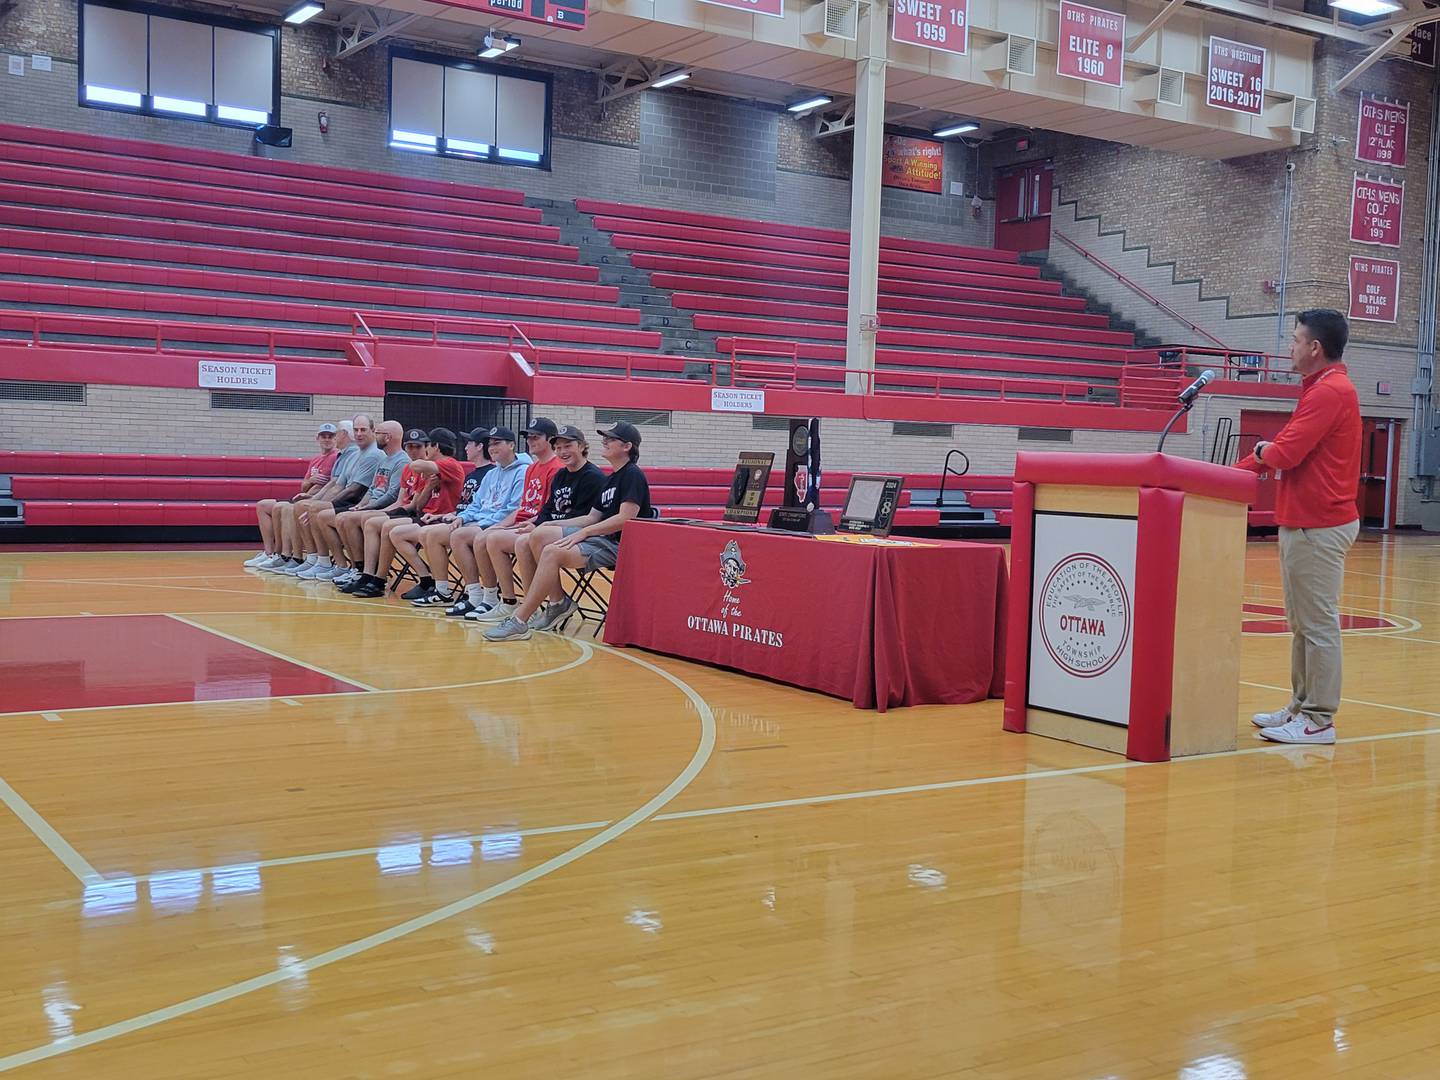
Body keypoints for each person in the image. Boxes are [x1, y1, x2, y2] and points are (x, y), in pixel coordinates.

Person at [1237, 309, 1362, 745]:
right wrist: (1241, 468)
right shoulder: (1319, 390)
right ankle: (1300, 706)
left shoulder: (1330, 392)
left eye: (1294, 340)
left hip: (1319, 525)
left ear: (1315, 348)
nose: (1288, 348)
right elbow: (1282, 450)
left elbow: (1284, 452)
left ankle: (1319, 720)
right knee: (1303, 623)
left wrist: (1261, 450)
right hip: (1304, 523)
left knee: (1318, 623)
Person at [485, 421, 651, 642]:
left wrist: (584, 533)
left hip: (619, 546)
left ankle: (519, 619)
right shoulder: (612, 478)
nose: (605, 441)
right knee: (546, 546)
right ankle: (547, 606)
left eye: (610, 439)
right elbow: (592, 517)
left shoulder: (632, 475)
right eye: (605, 438)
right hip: (601, 540)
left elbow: (626, 518)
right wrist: (547, 524)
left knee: (543, 541)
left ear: (627, 446)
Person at [500, 425, 607, 631]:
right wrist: (534, 523)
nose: (562, 452)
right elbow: (548, 509)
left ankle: (554, 604)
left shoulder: (593, 477)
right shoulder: (560, 475)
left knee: (539, 535)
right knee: (523, 542)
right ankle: (539, 606)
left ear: (583, 446)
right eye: (558, 448)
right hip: (556, 529)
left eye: (568, 446)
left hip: (581, 533)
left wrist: (547, 525)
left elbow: (589, 519)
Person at [418, 427, 530, 614]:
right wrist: (462, 517)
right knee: (435, 534)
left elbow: (512, 510)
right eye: (491, 444)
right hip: (481, 522)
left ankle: (487, 597)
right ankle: (450, 592)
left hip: (503, 525)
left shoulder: (523, 472)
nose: (492, 448)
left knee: (460, 536)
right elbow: (476, 504)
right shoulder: (492, 474)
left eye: (498, 443)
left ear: (511, 445)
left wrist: (480, 523)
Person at [464, 417, 566, 619]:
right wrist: (501, 525)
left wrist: (532, 524)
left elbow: (548, 508)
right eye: (528, 437)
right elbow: (523, 507)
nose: (530, 441)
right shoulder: (532, 468)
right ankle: (506, 601)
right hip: (524, 521)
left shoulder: (556, 468)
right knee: (489, 536)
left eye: (536, 437)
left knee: (496, 539)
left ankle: (528, 605)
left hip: (539, 525)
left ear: (551, 440)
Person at [347, 428, 465, 599]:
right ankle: (371, 575)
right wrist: (429, 487)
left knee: (384, 526)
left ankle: (380, 578)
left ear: (435, 447)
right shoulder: (430, 470)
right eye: (409, 447)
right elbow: (418, 505)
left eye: (421, 446)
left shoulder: (449, 465)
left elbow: (415, 467)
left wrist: (414, 465)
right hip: (424, 515)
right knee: (380, 525)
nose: (416, 451)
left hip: (442, 520)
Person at [383, 428, 493, 602]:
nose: (465, 447)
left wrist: (454, 516)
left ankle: (459, 591)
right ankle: (430, 581)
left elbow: (486, 508)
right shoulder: (473, 473)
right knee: (393, 530)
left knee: (427, 534)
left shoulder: (453, 465)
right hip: (449, 518)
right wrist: (449, 514)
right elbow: (466, 505)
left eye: (426, 445)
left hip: (472, 523)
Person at [299, 420, 408, 580]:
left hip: (382, 509)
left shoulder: (401, 461)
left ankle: (360, 568)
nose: (373, 435)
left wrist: (367, 507)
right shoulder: (384, 459)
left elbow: (391, 495)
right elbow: (372, 488)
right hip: (370, 506)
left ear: (388, 437)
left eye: (377, 433)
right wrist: (361, 505)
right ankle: (344, 566)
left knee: (345, 518)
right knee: (326, 516)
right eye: (356, 430)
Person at [275, 415, 382, 576]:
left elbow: (354, 489)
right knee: (306, 507)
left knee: (314, 511)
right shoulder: (356, 454)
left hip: (357, 503)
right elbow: (337, 483)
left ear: (373, 431)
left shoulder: (372, 454)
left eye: (363, 430)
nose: (359, 434)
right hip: (350, 501)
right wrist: (315, 501)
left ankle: (329, 563)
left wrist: (324, 504)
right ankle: (312, 559)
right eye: (356, 430)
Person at [330, 428, 432, 590]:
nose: (413, 450)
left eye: (417, 447)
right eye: (410, 446)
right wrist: (364, 506)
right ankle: (362, 571)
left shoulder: (422, 467)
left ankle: (374, 575)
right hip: (404, 510)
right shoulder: (407, 468)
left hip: (418, 515)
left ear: (428, 447)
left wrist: (375, 510)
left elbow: (413, 505)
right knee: (352, 518)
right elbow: (398, 498)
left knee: (369, 521)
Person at [248, 421, 342, 570]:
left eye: (330, 436)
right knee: (263, 505)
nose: (327, 439)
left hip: (316, 499)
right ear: (317, 438)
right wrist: (311, 481)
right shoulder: (316, 460)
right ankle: (269, 552)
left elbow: (336, 484)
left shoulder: (337, 457)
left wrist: (314, 491)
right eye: (323, 436)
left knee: (282, 508)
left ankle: (283, 555)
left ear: (336, 438)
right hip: (305, 495)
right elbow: (304, 485)